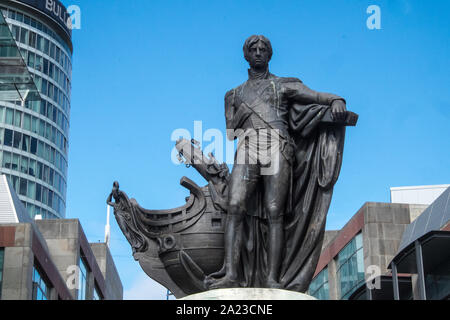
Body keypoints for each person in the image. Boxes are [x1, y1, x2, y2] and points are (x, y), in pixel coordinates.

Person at [205, 35, 347, 290]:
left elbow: (315, 96)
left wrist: (337, 100)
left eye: (263, 49)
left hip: (277, 146)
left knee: (274, 212)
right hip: (248, 146)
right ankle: (231, 274)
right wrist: (246, 109)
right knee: (235, 205)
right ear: (246, 56)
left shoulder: (283, 85)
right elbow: (230, 132)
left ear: (269, 55)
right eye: (253, 49)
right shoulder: (232, 95)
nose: (258, 52)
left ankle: (272, 278)